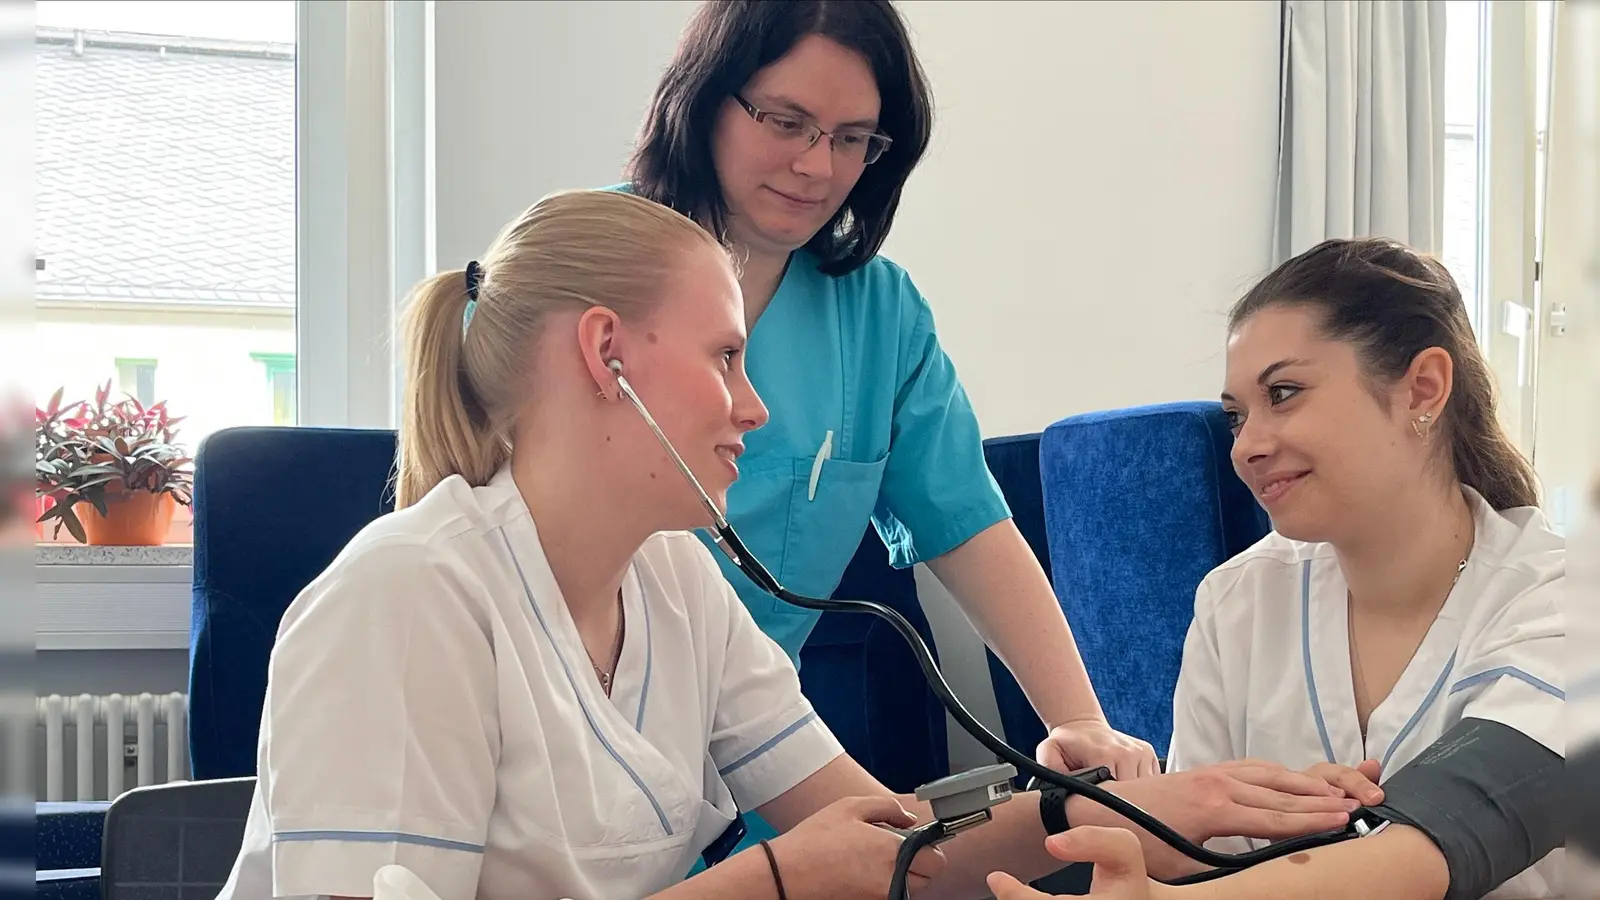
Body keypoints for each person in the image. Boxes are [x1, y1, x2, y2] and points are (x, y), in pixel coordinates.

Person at [212, 190, 1376, 900]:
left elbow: (886, 845)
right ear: (604, 353)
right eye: (725, 357)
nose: (757, 407)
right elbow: (806, 869)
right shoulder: (408, 598)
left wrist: (1122, 809)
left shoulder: (676, 583)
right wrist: (766, 883)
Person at [619, 0, 1155, 784]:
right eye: (786, 121)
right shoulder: (575, 270)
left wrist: (1080, 722)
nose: (817, 166)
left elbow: (966, 523)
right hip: (574, 740)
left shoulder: (880, 316)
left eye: (850, 140)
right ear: (704, 100)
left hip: (760, 759)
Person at [985, 238, 1567, 899]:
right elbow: (1195, 851)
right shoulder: (1239, 599)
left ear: (1423, 389)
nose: (1248, 447)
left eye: (1284, 394)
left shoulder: (1562, 605)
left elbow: (1451, 830)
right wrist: (1137, 827)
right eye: (1236, 417)